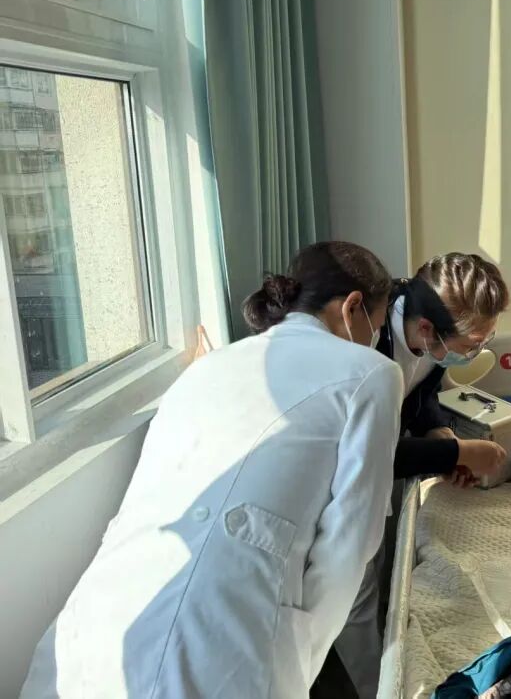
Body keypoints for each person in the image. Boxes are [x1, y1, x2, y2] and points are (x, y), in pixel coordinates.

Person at [21, 241, 405, 699]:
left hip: (93, 628)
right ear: (353, 307)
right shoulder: (372, 373)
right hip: (219, 645)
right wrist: (298, 655)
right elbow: (349, 545)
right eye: (376, 325)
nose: (374, 339)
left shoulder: (210, 366)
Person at [325, 253, 511, 698]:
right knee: (356, 605)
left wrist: (439, 433)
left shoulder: (429, 342)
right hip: (336, 490)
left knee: (377, 590)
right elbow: (371, 454)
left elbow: (422, 390)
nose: (475, 353)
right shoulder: (367, 348)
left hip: (373, 477)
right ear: (427, 328)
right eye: (473, 345)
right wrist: (458, 451)